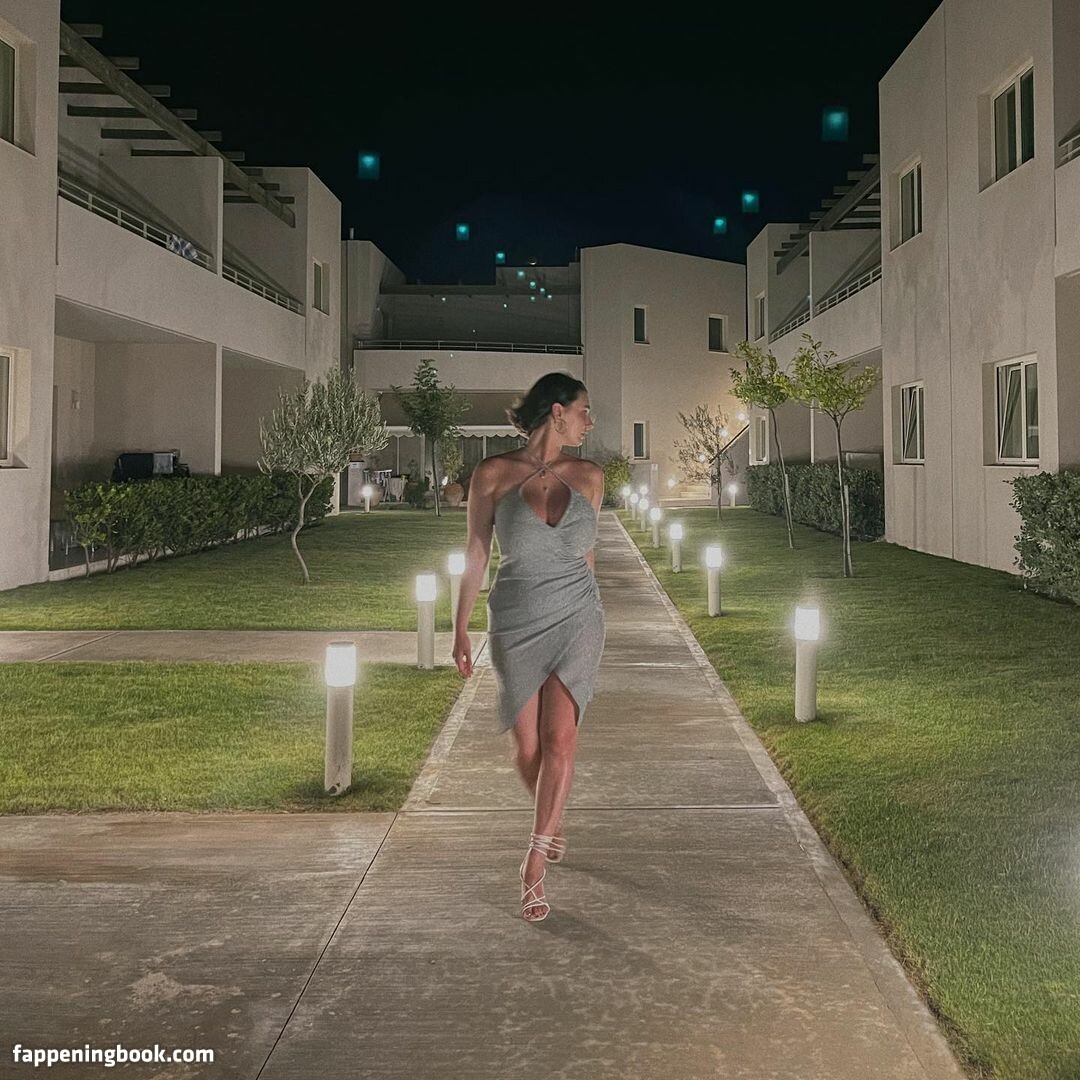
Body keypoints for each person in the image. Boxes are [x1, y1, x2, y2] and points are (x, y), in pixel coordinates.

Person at [452, 373, 606, 922]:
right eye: (584, 411)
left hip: (577, 617)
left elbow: (587, 556)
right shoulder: (492, 474)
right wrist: (460, 626)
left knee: (561, 738)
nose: (590, 422)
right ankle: (551, 819)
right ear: (558, 412)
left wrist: (589, 612)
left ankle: (534, 862)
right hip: (516, 619)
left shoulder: (590, 477)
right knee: (528, 749)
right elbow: (476, 551)